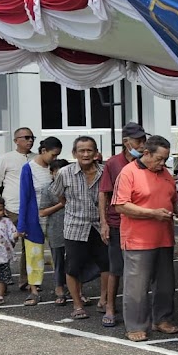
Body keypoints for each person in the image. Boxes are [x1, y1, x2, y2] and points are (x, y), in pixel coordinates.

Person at [113, 135, 178, 342]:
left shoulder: (165, 174)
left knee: (166, 284)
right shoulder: (128, 172)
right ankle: (135, 325)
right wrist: (153, 213)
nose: (162, 163)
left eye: (165, 159)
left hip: (164, 237)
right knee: (137, 287)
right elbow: (121, 205)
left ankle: (162, 319)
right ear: (146, 153)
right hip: (138, 239)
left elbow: (174, 200)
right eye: (159, 159)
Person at [51, 136, 108, 320]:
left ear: (96, 153)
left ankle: (104, 300)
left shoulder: (105, 171)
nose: (85, 154)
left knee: (107, 264)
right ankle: (77, 305)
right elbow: (59, 196)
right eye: (81, 151)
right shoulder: (64, 173)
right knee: (73, 267)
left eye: (89, 150)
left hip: (100, 225)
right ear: (74, 153)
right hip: (75, 226)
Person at [99, 122, 147, 328]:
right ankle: (110, 307)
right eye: (138, 140)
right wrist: (103, 222)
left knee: (140, 269)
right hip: (117, 222)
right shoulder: (113, 163)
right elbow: (103, 193)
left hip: (141, 222)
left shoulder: (145, 161)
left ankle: (139, 309)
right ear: (126, 142)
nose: (142, 144)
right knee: (116, 268)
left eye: (144, 140)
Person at [0, 127, 37, 290]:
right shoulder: (5, 158)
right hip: (11, 209)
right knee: (3, 247)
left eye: (32, 137)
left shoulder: (37, 159)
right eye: (26, 137)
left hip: (32, 210)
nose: (30, 140)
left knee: (30, 247)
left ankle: (27, 281)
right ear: (16, 141)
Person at [16, 137, 63, 305]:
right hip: (34, 218)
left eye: (57, 155)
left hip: (56, 218)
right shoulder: (28, 168)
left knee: (59, 254)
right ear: (43, 151)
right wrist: (22, 224)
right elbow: (24, 197)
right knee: (34, 255)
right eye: (53, 155)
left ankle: (60, 287)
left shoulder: (55, 168)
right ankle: (34, 290)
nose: (55, 158)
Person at [40, 159, 69, 305]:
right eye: (57, 173)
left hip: (75, 228)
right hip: (56, 229)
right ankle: (59, 288)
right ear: (51, 173)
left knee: (75, 261)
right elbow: (42, 212)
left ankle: (77, 290)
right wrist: (61, 204)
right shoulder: (48, 189)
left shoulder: (74, 186)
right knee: (58, 260)